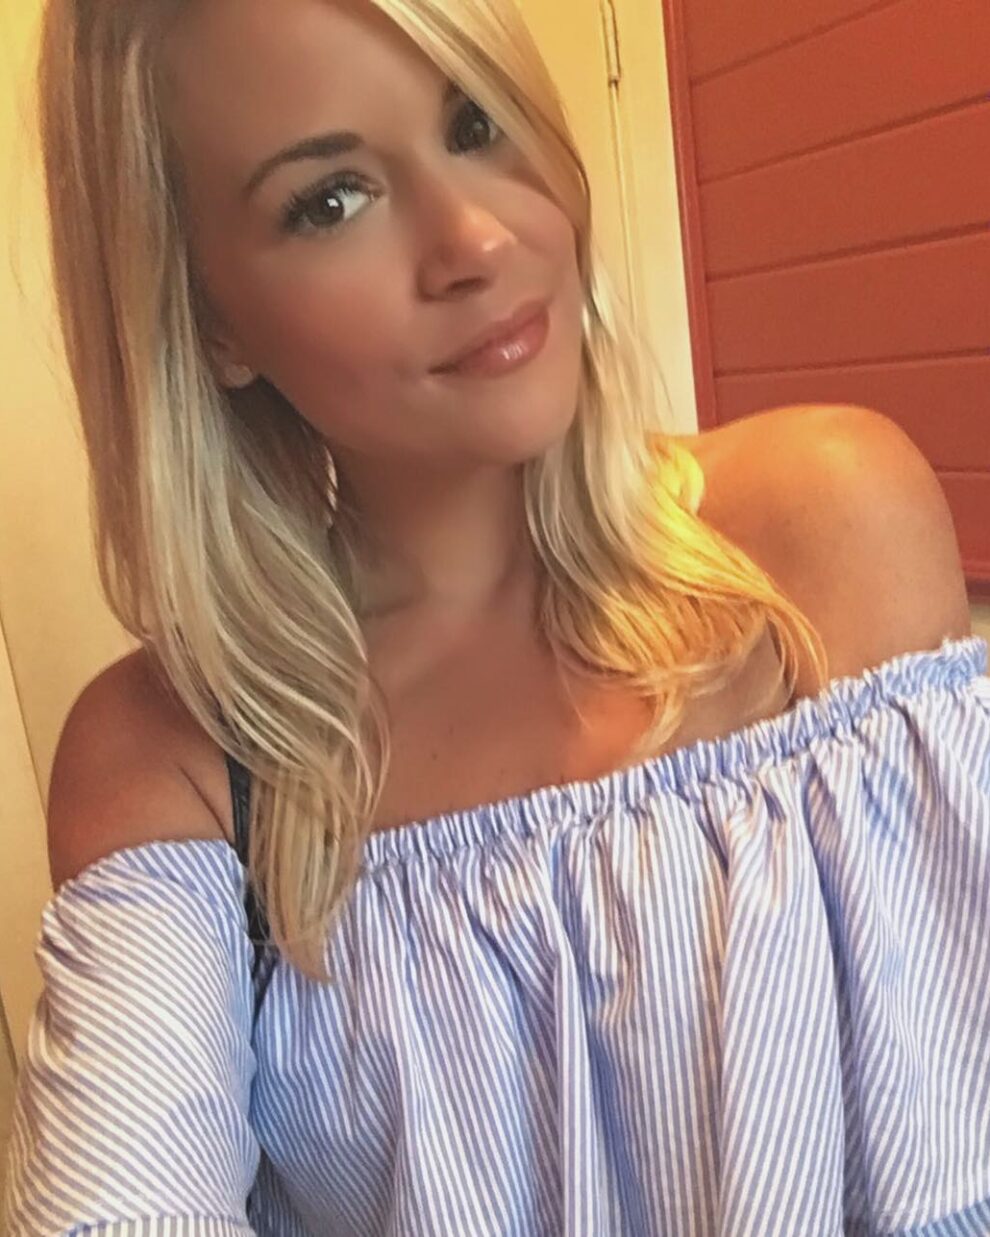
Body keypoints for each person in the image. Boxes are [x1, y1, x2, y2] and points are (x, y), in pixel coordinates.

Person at [3, 0, 989, 1232]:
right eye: (331, 200)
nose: (474, 237)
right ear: (207, 319)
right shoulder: (180, 757)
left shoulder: (824, 533)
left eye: (475, 122)